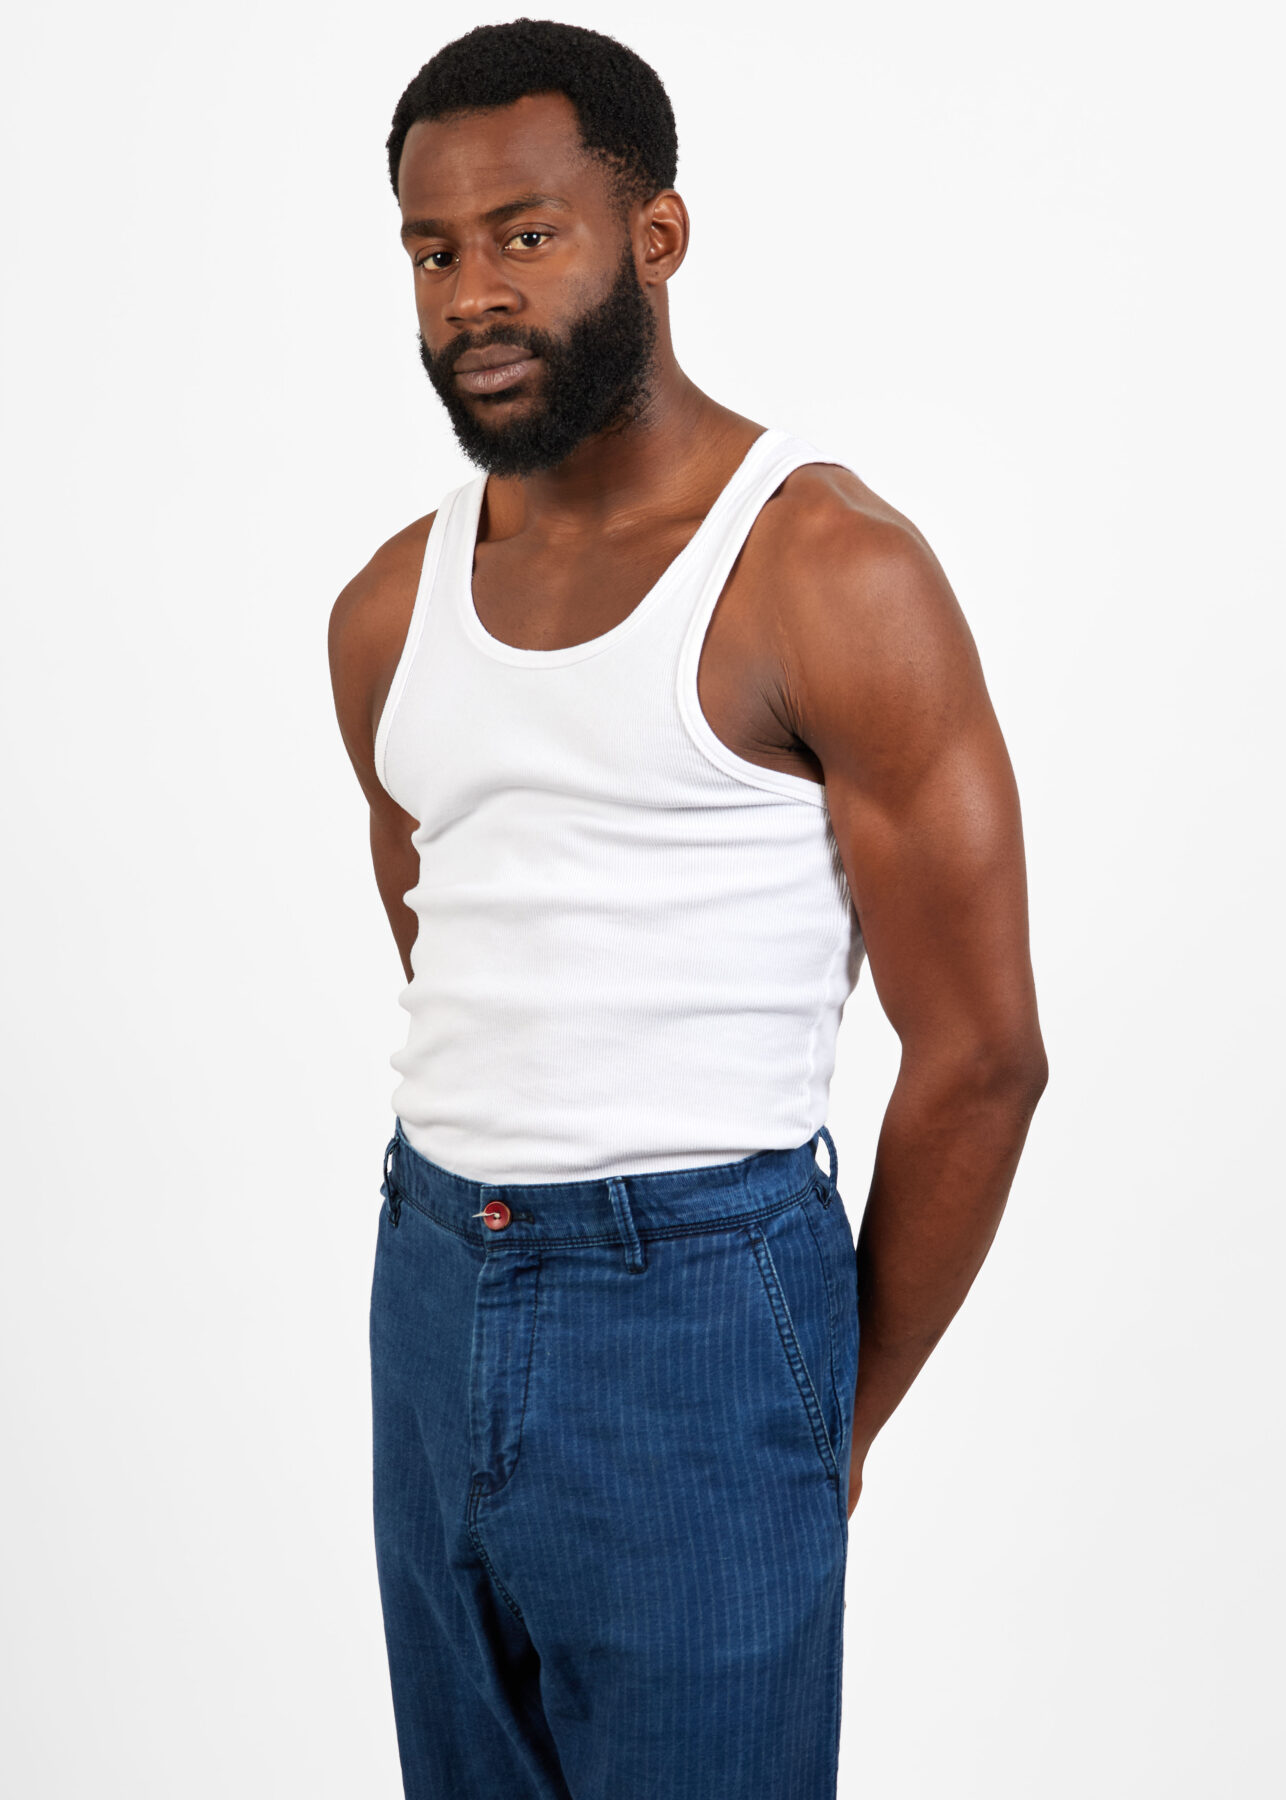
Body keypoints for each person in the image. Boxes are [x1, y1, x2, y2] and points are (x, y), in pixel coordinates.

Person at [327, 19, 1048, 1800]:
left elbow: (982, 1057)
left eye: (526, 234)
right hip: (430, 1274)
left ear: (653, 235)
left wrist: (820, 1412)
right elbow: (445, 935)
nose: (474, 295)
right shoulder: (387, 611)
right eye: (433, 250)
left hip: (701, 1311)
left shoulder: (823, 571)